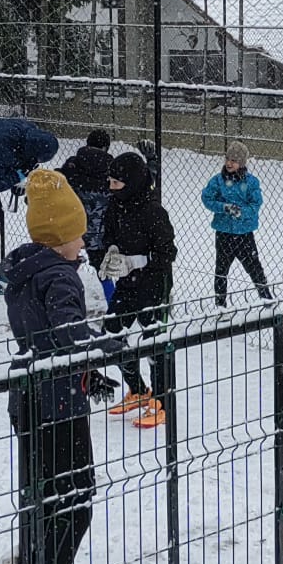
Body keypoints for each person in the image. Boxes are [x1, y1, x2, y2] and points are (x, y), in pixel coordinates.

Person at [2, 168, 120, 564]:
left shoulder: (25, 269)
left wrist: (87, 369)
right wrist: (112, 344)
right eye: (77, 233)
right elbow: (71, 333)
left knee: (44, 502)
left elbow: (47, 336)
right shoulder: (59, 276)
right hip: (58, 405)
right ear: (59, 236)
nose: (83, 241)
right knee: (76, 503)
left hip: (29, 395)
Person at [101, 150, 178, 429]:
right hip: (127, 284)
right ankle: (138, 389)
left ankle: (161, 401)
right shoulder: (115, 206)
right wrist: (110, 253)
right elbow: (108, 235)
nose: (111, 188)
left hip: (154, 283)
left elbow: (168, 252)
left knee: (153, 342)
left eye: (116, 183)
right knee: (110, 335)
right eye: (110, 181)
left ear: (132, 183)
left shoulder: (154, 211)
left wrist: (136, 261)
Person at [0, 115, 60, 292]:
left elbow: (24, 163)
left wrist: (19, 179)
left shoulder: (27, 137)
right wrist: (15, 176)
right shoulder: (1, 147)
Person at [201, 141, 269, 307]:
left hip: (244, 234)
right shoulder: (218, 181)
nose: (229, 163)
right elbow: (207, 198)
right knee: (221, 270)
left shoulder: (251, 183)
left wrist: (241, 212)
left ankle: (267, 298)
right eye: (227, 159)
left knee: (254, 268)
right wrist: (223, 207)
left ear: (242, 163)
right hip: (224, 233)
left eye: (234, 160)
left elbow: (255, 204)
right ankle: (220, 304)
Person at [60, 130, 114, 259]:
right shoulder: (113, 169)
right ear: (106, 147)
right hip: (100, 233)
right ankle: (106, 279)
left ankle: (64, 276)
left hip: (72, 229)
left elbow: (59, 182)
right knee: (100, 263)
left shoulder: (72, 164)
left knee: (67, 259)